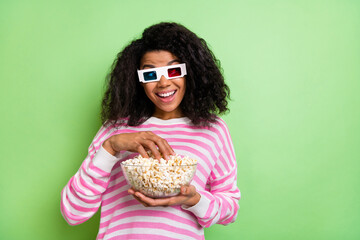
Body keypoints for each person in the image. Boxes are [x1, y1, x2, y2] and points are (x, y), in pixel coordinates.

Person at [61, 22, 240, 240]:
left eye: (173, 70)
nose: (163, 83)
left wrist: (192, 199)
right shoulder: (116, 130)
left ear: (190, 72)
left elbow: (229, 208)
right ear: (138, 81)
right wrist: (111, 146)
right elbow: (73, 212)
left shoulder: (213, 129)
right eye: (150, 74)